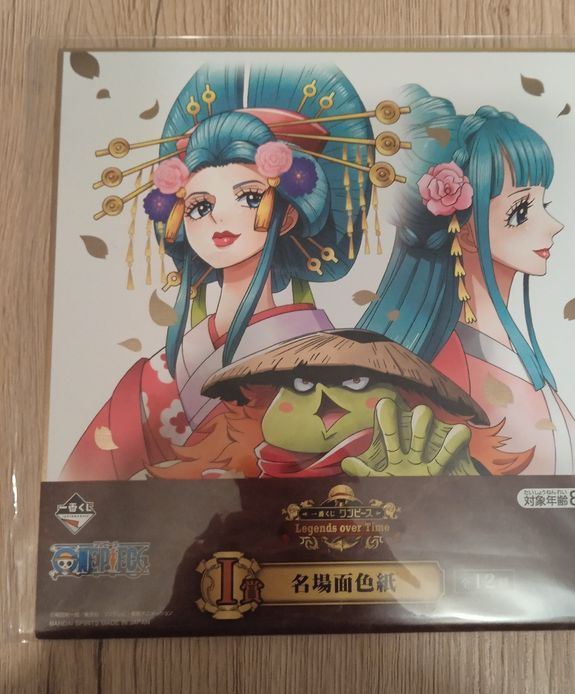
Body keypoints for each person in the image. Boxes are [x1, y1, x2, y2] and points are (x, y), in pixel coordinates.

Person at [61, 62, 406, 480]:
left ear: (289, 215)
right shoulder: (155, 377)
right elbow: (81, 483)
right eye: (200, 206)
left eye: (249, 197)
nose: (218, 218)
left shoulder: (329, 366)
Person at [357, 85, 575, 474]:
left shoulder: (506, 348)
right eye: (521, 211)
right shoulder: (447, 372)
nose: (554, 224)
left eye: (545, 203)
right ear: (464, 229)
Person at [139, 329, 533, 479]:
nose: (326, 400)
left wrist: (424, 492)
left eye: (357, 382)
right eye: (302, 383)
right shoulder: (232, 472)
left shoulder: (443, 454)